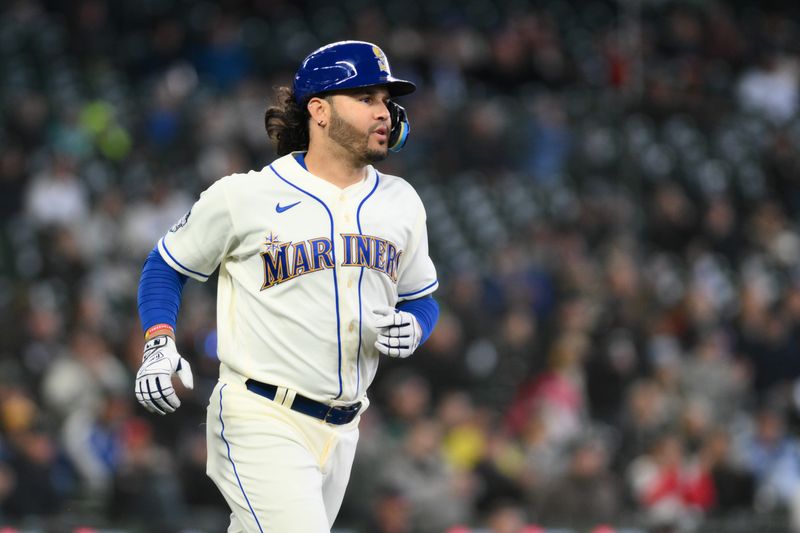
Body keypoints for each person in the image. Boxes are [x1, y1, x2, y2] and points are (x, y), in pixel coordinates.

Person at [133, 40, 440, 532]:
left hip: (344, 429)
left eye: (386, 100)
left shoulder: (402, 202)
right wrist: (158, 342)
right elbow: (166, 264)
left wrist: (417, 325)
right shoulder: (247, 195)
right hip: (260, 415)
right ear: (319, 110)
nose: (384, 112)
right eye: (365, 98)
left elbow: (422, 296)